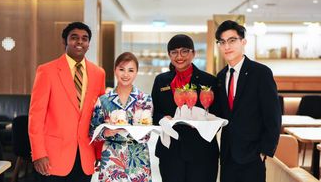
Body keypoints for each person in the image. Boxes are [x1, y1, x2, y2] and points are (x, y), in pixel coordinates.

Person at [28, 22, 106, 182]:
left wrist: (99, 152)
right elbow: (36, 116)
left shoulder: (98, 73)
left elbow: (98, 117)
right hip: (52, 157)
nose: (79, 42)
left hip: (85, 155)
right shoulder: (47, 71)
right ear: (65, 41)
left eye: (84, 39)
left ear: (88, 44)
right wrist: (38, 153)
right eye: (74, 37)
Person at [215, 20, 281, 182]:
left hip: (253, 155)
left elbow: (273, 115)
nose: (227, 46)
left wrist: (264, 151)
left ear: (243, 42)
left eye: (232, 40)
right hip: (228, 154)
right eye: (222, 42)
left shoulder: (261, 73)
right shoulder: (221, 76)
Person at [152, 34, 219, 182]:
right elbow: (154, 113)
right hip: (171, 150)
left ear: (193, 53)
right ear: (169, 55)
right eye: (174, 52)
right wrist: (163, 118)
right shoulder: (161, 81)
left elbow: (217, 115)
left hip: (202, 151)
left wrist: (203, 122)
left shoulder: (209, 81)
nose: (179, 56)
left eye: (184, 51)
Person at [90, 52, 154, 182]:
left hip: (139, 158)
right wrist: (105, 132)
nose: (126, 74)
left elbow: (147, 135)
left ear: (136, 72)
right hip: (111, 155)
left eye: (131, 70)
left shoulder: (145, 99)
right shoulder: (103, 100)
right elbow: (92, 131)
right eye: (121, 69)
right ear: (115, 70)